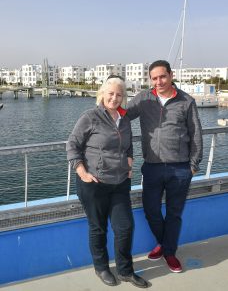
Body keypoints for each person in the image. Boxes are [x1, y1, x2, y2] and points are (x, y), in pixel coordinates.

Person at [67, 75, 148, 288]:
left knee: (125, 228)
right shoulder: (90, 116)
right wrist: (82, 172)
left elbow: (128, 145)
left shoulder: (125, 118)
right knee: (98, 228)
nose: (114, 98)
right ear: (102, 94)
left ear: (123, 97)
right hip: (94, 183)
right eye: (110, 93)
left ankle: (125, 271)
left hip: (120, 182)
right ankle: (101, 268)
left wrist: (129, 164)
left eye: (119, 94)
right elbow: (72, 145)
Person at [127, 60, 203, 273]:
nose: (158, 81)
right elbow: (122, 116)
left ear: (171, 75)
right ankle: (165, 243)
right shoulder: (144, 98)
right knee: (151, 210)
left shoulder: (186, 101)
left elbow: (196, 134)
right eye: (154, 78)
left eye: (162, 76)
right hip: (152, 167)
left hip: (180, 169)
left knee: (174, 213)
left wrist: (193, 165)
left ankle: (169, 253)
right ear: (150, 79)